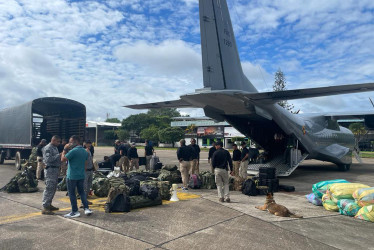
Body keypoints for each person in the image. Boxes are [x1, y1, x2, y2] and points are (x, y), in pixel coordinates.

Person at [61, 135, 92, 218]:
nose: (69, 143)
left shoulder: (73, 151)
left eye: (71, 142)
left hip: (72, 175)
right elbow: (85, 165)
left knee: (72, 193)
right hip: (81, 175)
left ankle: (75, 211)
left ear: (75, 141)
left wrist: (64, 149)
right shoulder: (85, 151)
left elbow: (63, 159)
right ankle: (86, 208)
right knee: (82, 192)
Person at [41, 136, 61, 215]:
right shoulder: (48, 148)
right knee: (49, 188)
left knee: (53, 188)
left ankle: (49, 204)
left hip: (54, 170)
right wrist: (59, 155)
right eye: (58, 141)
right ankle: (45, 207)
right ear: (53, 140)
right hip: (50, 170)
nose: (59, 143)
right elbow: (48, 160)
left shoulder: (54, 147)